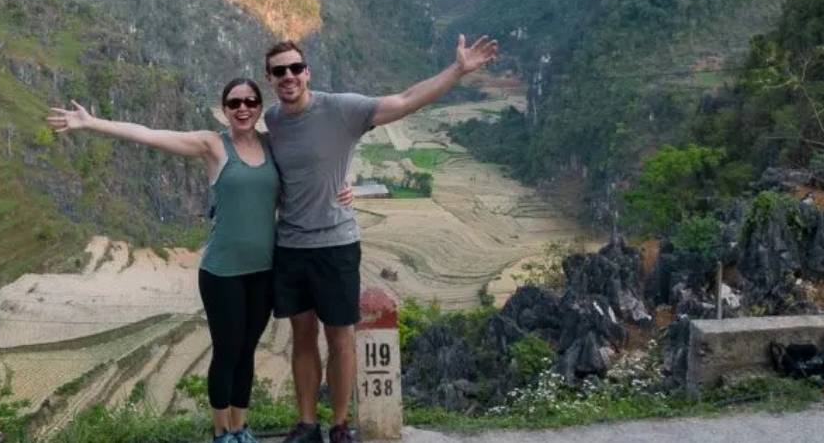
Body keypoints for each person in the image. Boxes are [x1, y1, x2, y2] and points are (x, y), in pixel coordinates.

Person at [46, 79, 354, 443]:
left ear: (259, 108)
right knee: (226, 351)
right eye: (234, 102)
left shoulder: (272, 146)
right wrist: (93, 123)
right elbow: (149, 134)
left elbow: (310, 166)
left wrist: (342, 186)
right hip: (222, 272)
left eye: (250, 102)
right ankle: (222, 431)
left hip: (263, 270)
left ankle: (242, 427)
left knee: (247, 351)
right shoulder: (212, 145)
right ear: (224, 108)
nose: (243, 108)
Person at [263, 35, 499, 443]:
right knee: (301, 335)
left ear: (307, 72)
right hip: (290, 246)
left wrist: (458, 70)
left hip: (335, 244)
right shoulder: (273, 119)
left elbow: (405, 100)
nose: (289, 76)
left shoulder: (341, 108)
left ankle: (338, 425)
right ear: (270, 78)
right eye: (279, 71)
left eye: (295, 68)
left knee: (339, 337)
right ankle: (306, 424)